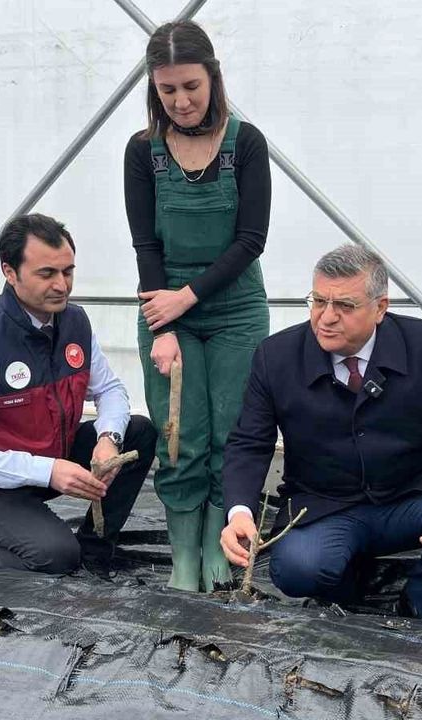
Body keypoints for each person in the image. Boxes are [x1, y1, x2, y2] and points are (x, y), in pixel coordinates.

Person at [219, 245, 422, 623]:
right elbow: (249, 442)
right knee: (298, 567)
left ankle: (421, 606)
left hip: (413, 495)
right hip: (327, 503)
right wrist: (239, 511)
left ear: (380, 308)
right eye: (318, 301)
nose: (326, 317)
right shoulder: (276, 356)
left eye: (345, 306)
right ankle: (347, 596)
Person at [123, 21, 271, 591]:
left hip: (234, 308)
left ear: (212, 77)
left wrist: (185, 298)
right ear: (153, 88)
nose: (181, 101)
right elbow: (146, 244)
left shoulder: (246, 144)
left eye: (191, 86)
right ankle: (184, 557)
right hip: (164, 309)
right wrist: (163, 325)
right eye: (168, 90)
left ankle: (217, 548)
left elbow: (250, 240)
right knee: (179, 435)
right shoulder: (143, 152)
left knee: (230, 432)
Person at [0, 213, 156, 576]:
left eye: (68, 271)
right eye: (47, 274)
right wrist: (48, 471)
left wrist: (109, 439)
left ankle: (95, 552)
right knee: (56, 556)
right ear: (10, 272)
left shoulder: (74, 323)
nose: (61, 285)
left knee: (138, 432)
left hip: (50, 462)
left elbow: (110, 389)